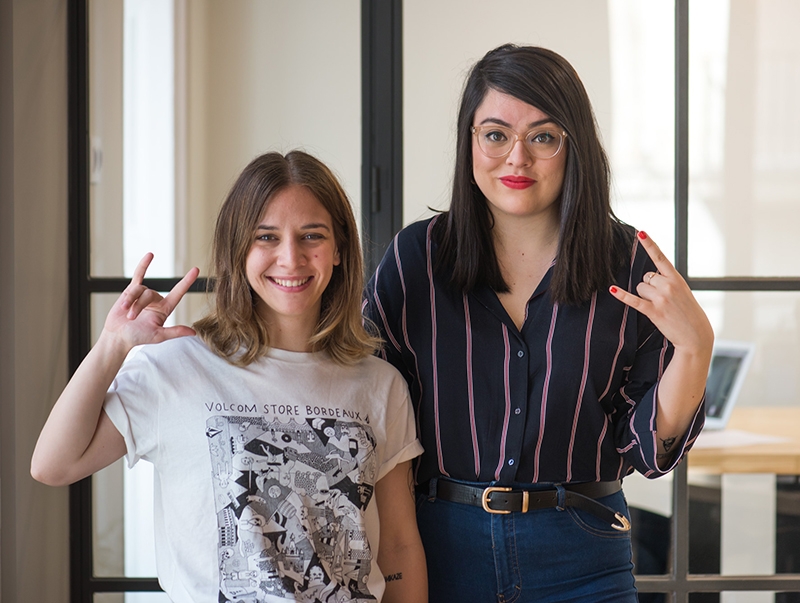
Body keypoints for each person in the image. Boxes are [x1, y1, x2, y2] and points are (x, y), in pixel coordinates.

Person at [363, 44, 713, 602]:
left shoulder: (628, 263)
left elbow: (648, 452)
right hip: (437, 546)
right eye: (496, 135)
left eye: (543, 137)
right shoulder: (418, 258)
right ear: (470, 143)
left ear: (573, 146)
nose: (517, 159)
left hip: (583, 552)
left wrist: (696, 350)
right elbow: (353, 392)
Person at [32, 150, 428, 603]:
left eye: (311, 236)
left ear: (338, 249)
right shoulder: (176, 366)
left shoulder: (379, 383)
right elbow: (52, 465)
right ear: (238, 249)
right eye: (266, 237)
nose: (290, 257)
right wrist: (112, 346)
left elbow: (398, 546)